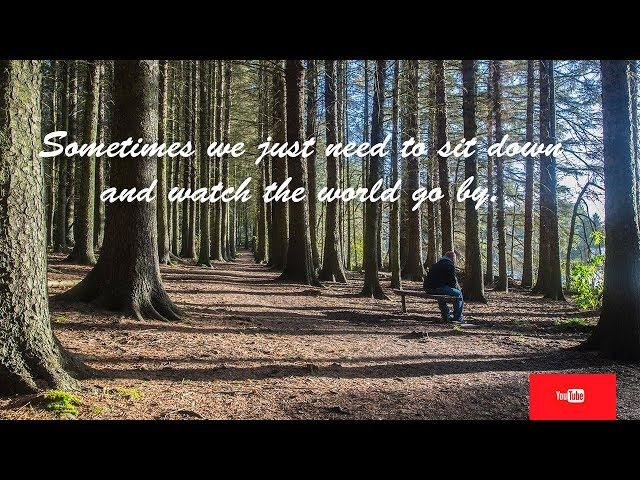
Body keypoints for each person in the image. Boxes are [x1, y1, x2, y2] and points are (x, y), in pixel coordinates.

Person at [423, 251, 464, 324]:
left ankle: (446, 316)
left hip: (428, 289)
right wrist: (456, 289)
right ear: (452, 258)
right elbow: (452, 282)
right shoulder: (449, 265)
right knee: (459, 294)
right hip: (437, 288)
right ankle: (458, 317)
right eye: (455, 259)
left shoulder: (436, 264)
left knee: (441, 296)